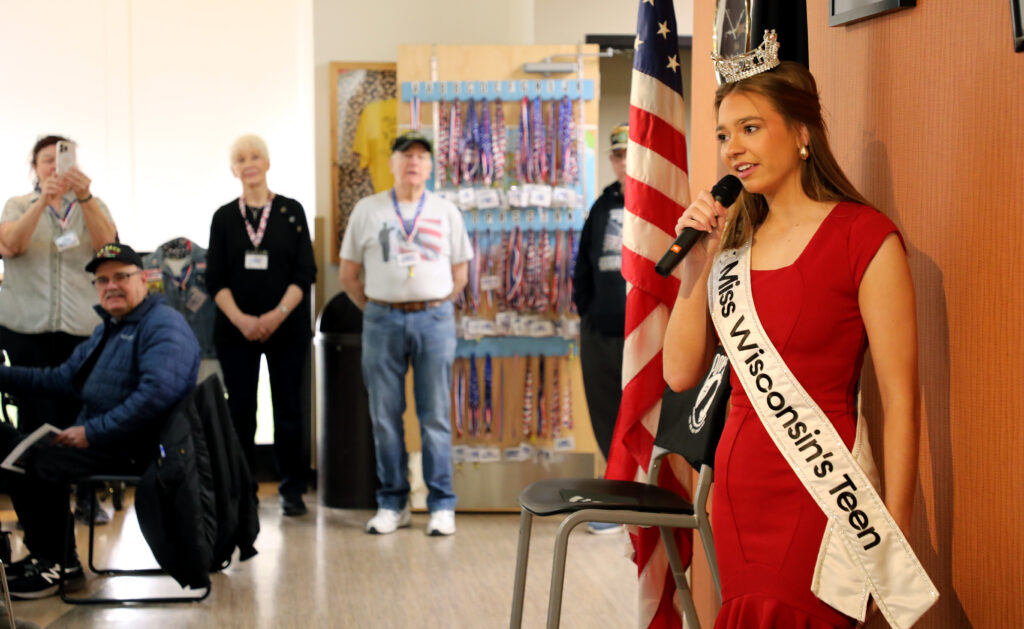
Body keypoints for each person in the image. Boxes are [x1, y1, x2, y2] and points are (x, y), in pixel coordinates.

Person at [663, 41, 928, 627]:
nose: (733, 148)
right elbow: (679, 374)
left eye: (750, 128)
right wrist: (694, 272)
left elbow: (903, 403)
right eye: (724, 134)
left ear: (803, 131)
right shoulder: (730, 248)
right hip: (735, 500)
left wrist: (892, 539)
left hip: (822, 499)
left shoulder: (865, 237)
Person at [0, 243, 200, 599]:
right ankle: (47, 555)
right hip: (108, 439)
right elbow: (60, 379)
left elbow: (154, 396)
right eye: (102, 280)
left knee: (37, 459)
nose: (111, 286)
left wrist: (91, 432)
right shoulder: (109, 327)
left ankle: (59, 563)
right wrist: (3, 375)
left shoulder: (164, 325)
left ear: (144, 280)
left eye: (121, 277)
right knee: (8, 443)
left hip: (140, 446)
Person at [339, 131, 471, 537]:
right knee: (384, 416)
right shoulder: (368, 209)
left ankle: (441, 505)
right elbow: (348, 274)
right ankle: (391, 502)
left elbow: (461, 272)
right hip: (381, 319)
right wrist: (382, 306)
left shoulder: (446, 211)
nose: (413, 162)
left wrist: (431, 303)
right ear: (392, 164)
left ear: (430, 167)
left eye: (421, 157)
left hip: (434, 320)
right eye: (405, 156)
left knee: (434, 416)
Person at [0, 135, 118, 525]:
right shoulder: (17, 205)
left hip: (82, 329)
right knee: (35, 415)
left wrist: (84, 200)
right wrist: (40, 204)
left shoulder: (92, 205)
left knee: (80, 412)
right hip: (27, 327)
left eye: (62, 159)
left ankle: (86, 494)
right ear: (34, 168)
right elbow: (11, 246)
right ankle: (39, 502)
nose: (55, 166)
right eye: (46, 160)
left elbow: (107, 251)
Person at [206, 135, 317, 517]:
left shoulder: (291, 211)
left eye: (255, 156)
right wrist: (242, 320)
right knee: (240, 411)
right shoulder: (224, 217)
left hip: (286, 327)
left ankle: (292, 489)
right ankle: (242, 489)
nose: (249, 163)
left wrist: (274, 316)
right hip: (236, 330)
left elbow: (305, 274)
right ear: (233, 169)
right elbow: (215, 280)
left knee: (289, 409)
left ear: (267, 163)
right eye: (240, 158)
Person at [572, 123, 629, 536]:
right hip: (601, 332)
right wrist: (586, 313)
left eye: (630, 153)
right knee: (605, 415)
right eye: (618, 155)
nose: (624, 162)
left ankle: (642, 497)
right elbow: (583, 267)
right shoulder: (602, 204)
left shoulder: (660, 200)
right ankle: (614, 500)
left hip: (645, 336)